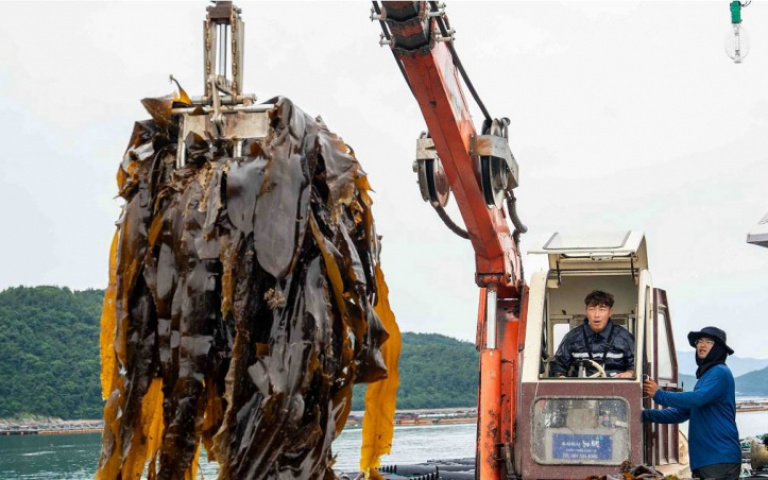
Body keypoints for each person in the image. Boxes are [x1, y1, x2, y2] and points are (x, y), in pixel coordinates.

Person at [643, 326, 741, 480]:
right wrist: (644, 414)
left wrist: (659, 394)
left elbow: (697, 398)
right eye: (699, 341)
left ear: (719, 349)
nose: (701, 345)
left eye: (709, 342)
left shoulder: (720, 372)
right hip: (706, 461)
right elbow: (681, 413)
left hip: (719, 458)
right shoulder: (705, 377)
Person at [549, 290, 635, 378]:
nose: (596, 315)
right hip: (580, 390)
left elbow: (637, 366)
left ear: (610, 312)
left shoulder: (625, 337)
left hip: (617, 390)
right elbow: (558, 365)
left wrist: (629, 373)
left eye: (602, 309)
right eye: (592, 309)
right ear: (586, 311)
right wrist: (560, 376)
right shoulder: (572, 337)